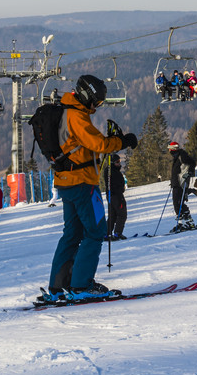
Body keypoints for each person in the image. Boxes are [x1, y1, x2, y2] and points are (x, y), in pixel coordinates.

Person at [47, 75, 137, 301]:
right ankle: (81, 284)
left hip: (67, 182)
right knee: (96, 232)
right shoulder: (76, 115)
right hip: (82, 182)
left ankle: (59, 286)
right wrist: (123, 142)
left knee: (72, 234)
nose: (96, 106)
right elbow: (98, 144)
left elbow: (87, 146)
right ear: (87, 95)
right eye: (96, 101)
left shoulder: (68, 111)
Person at [168, 142, 197, 232]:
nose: (169, 151)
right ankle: (186, 222)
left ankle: (184, 224)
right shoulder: (178, 156)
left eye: (170, 149)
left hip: (180, 183)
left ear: (173, 149)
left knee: (178, 204)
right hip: (177, 183)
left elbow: (192, 163)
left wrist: (189, 173)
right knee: (179, 203)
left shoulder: (182, 156)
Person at [105, 153, 128, 240]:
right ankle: (117, 233)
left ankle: (107, 233)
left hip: (110, 196)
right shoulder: (115, 172)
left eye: (120, 161)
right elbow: (119, 185)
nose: (119, 163)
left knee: (112, 215)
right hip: (117, 196)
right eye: (117, 162)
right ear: (112, 163)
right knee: (122, 214)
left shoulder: (108, 171)